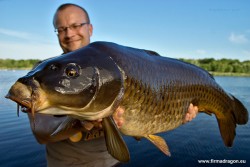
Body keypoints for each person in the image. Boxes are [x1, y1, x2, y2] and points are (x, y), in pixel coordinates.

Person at [28, 3, 198, 167]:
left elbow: (143, 117)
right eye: (62, 29)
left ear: (90, 28)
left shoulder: (115, 66)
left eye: (76, 25)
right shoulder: (43, 73)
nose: (69, 33)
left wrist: (176, 113)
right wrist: (82, 122)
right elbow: (42, 133)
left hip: (111, 162)